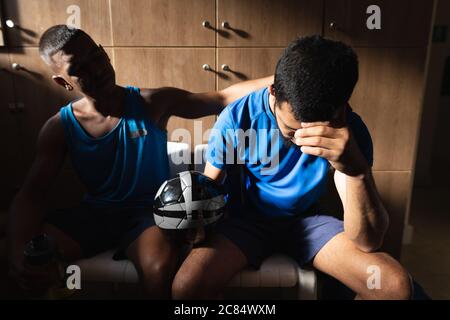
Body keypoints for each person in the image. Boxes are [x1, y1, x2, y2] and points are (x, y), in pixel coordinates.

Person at [7, 25, 272, 299]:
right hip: (95, 214)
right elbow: (32, 193)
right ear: (64, 82)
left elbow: (221, 98)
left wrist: (283, 79)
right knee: (30, 263)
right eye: (80, 68)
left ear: (105, 54)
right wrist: (17, 250)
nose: (97, 69)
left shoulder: (151, 103)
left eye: (96, 56)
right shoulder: (59, 127)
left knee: (158, 268)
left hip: (147, 214)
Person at [171, 35, 425, 300]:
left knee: (395, 287)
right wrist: (194, 223)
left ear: (341, 109)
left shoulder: (348, 131)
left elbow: (367, 241)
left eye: (313, 133)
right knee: (186, 287)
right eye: (291, 130)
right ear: (273, 91)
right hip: (247, 222)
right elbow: (208, 187)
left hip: (308, 222)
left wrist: (357, 171)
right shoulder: (238, 117)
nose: (299, 141)